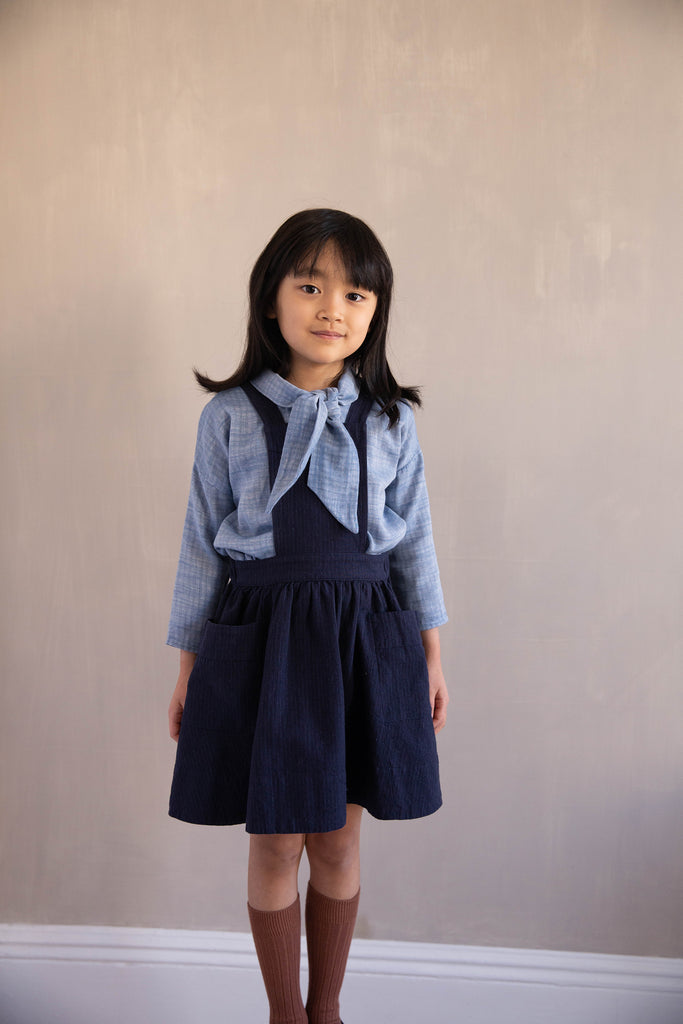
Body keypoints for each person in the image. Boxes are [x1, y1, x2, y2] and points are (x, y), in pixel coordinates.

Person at [166, 208, 449, 1024]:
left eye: (355, 294)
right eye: (311, 286)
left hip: (363, 639)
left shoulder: (390, 419)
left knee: (337, 838)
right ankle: (283, 1013)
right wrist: (188, 668)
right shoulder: (227, 416)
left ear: (375, 310)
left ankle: (326, 1009)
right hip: (263, 644)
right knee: (275, 839)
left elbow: (414, 541)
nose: (333, 308)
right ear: (271, 299)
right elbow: (200, 545)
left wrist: (430, 655)